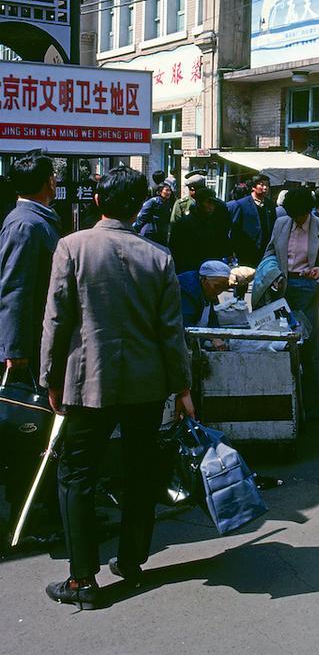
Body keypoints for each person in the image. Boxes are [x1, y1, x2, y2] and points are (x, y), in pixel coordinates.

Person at [40, 166, 193, 610]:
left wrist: (50, 377)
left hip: (90, 381)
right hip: (147, 384)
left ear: (97, 202)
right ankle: (130, 560)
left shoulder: (72, 247)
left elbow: (56, 318)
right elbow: (171, 331)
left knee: (77, 474)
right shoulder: (158, 256)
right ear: (138, 205)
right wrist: (182, 387)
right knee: (141, 471)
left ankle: (81, 578)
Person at [264, 186, 319, 419]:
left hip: (310, 292)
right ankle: (285, 409)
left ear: (309, 211)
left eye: (300, 215)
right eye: (293, 216)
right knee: (281, 348)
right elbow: (269, 252)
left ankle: (313, 411)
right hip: (283, 290)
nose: (297, 220)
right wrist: (272, 274)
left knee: (308, 351)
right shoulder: (281, 224)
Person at [0, 154, 60, 371]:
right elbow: (14, 286)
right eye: (53, 175)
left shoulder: (36, 218)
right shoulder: (25, 225)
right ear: (49, 182)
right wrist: (15, 348)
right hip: (31, 338)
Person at [169, 186, 232, 275]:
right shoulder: (183, 224)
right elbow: (175, 250)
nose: (211, 207)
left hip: (209, 271)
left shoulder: (214, 223)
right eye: (208, 203)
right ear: (199, 203)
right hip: (189, 270)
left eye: (213, 203)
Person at [230, 173, 276, 267]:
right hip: (247, 250)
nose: (265, 188)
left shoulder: (270, 205)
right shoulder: (242, 205)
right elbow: (235, 229)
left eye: (267, 185)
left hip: (265, 250)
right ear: (253, 187)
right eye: (262, 185)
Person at [177, 259, 232, 327]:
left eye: (223, 288)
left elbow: (212, 319)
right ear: (203, 279)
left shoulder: (207, 289)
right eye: (217, 287)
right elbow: (185, 325)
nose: (219, 292)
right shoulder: (188, 290)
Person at [133, 180, 174, 245]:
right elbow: (142, 217)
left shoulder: (167, 203)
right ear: (160, 192)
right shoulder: (152, 202)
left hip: (161, 235)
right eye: (166, 190)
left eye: (169, 190)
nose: (169, 192)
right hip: (150, 234)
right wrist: (134, 230)